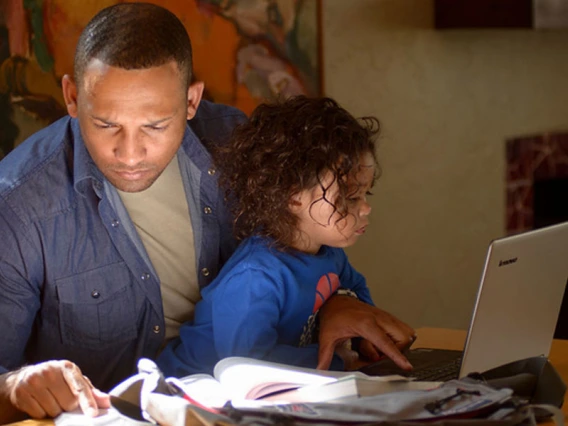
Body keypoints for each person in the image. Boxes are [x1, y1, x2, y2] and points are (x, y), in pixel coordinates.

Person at [0, 2, 414, 423]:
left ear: (192, 100)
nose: (129, 153)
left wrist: (334, 305)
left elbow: (294, 254)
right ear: (72, 97)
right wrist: (14, 386)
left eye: (155, 126)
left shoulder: (238, 146)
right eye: (106, 124)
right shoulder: (18, 205)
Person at [157, 95, 400, 377]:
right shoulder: (255, 275)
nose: (366, 208)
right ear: (293, 195)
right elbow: (248, 363)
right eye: (350, 196)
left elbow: (357, 294)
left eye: (365, 194)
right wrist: (338, 359)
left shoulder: (329, 254)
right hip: (190, 388)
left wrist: (365, 339)